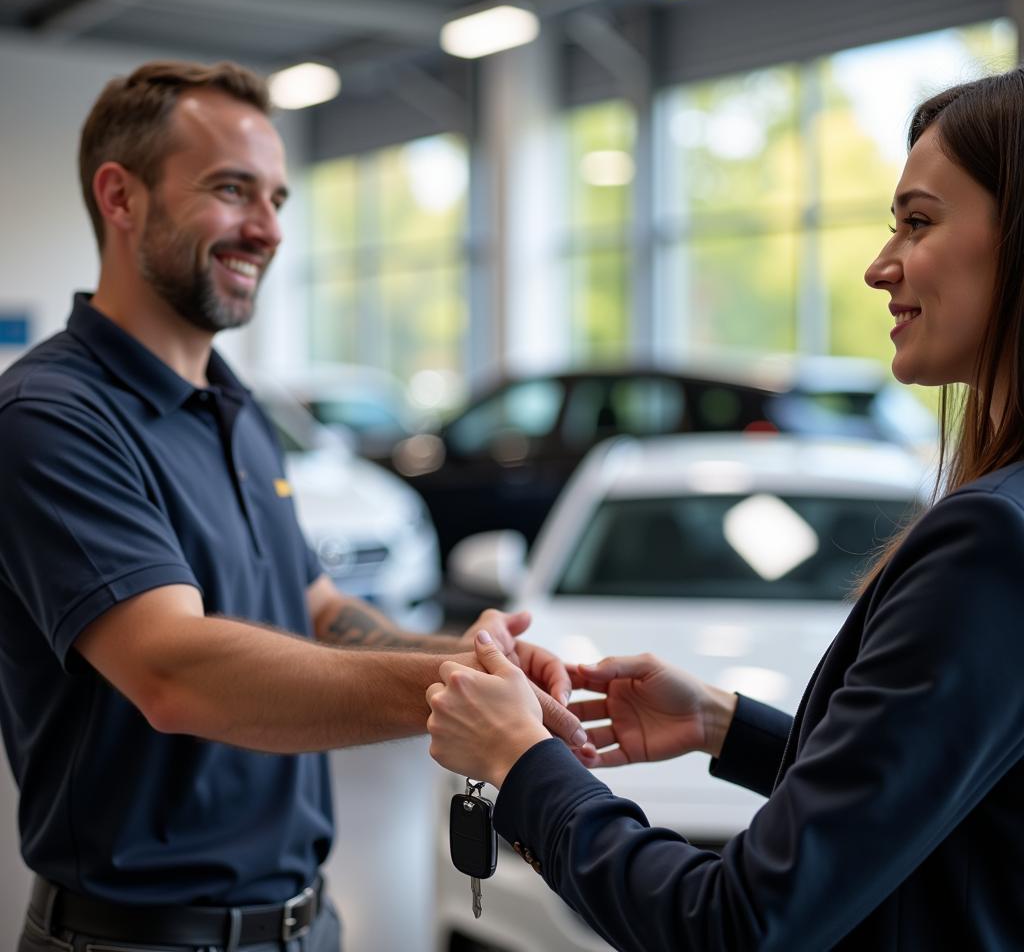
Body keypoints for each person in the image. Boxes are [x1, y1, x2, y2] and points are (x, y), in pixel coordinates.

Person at [425, 66, 1024, 950]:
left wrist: (522, 764)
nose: (878, 265)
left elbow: (736, 925)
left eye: (920, 221)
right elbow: (927, 802)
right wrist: (723, 725)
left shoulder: (989, 542)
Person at [0, 60, 587, 952]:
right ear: (120, 197)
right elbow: (173, 671)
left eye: (277, 198)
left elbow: (313, 611)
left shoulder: (236, 407)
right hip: (137, 938)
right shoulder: (51, 417)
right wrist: (456, 689)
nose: (267, 229)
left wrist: (476, 652)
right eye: (232, 191)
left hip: (302, 921)